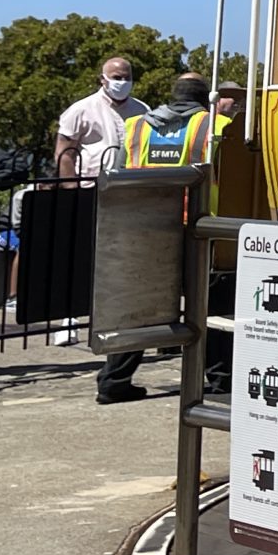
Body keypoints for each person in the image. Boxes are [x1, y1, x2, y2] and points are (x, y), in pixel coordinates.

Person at [95, 73, 217, 404]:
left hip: (143, 227)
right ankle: (218, 379)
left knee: (138, 307)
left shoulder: (136, 126)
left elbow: (118, 174)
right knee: (206, 303)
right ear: (205, 98)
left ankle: (113, 381)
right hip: (194, 226)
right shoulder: (212, 125)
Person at [50, 56, 149, 348]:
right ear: (102, 79)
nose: (122, 81)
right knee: (81, 256)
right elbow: (64, 152)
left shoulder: (142, 110)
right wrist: (70, 189)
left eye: (127, 75)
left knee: (117, 258)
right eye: (116, 76)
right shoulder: (80, 110)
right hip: (89, 188)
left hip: (127, 191)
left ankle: (110, 318)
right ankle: (68, 319)